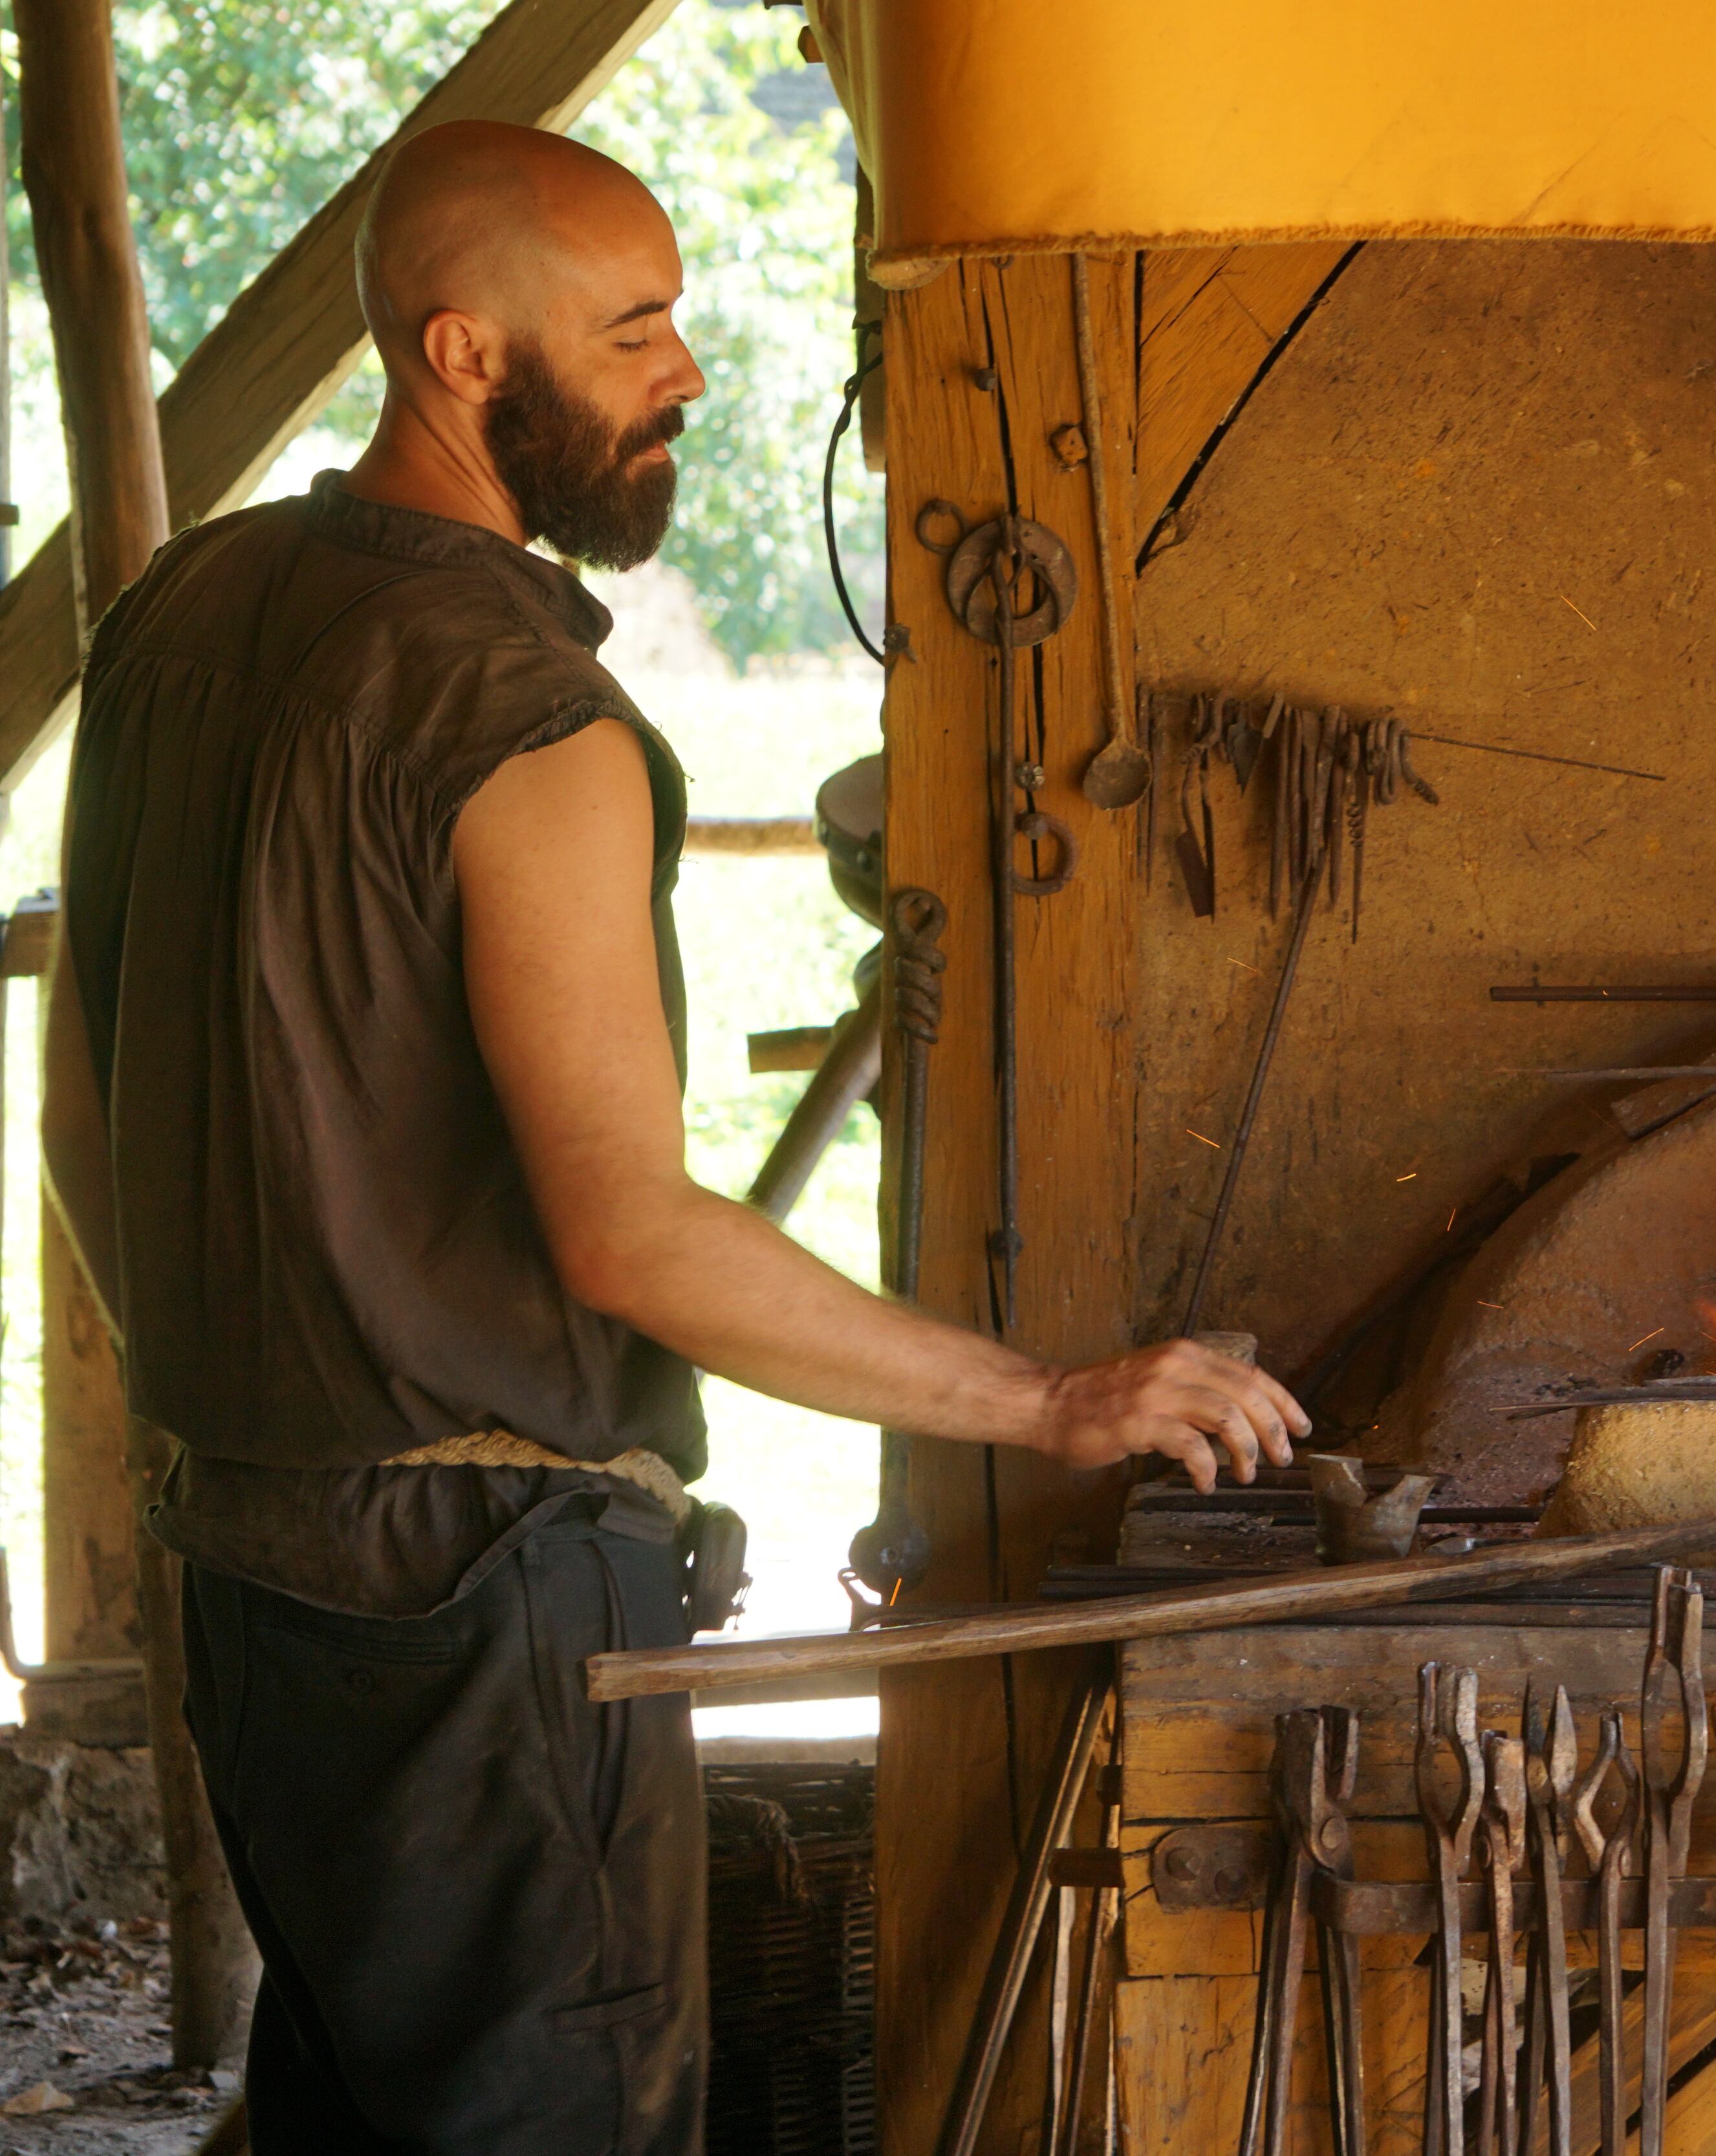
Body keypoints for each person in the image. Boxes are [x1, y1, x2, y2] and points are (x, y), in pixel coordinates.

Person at [41, 119, 1305, 2152]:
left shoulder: (179, 621)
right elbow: (628, 1235)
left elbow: (84, 1125)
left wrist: (259, 1403)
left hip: (253, 1560)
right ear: (462, 354)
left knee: (349, 2115)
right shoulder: (522, 722)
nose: (687, 377)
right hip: (482, 1602)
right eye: (635, 332)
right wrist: (1056, 1397)